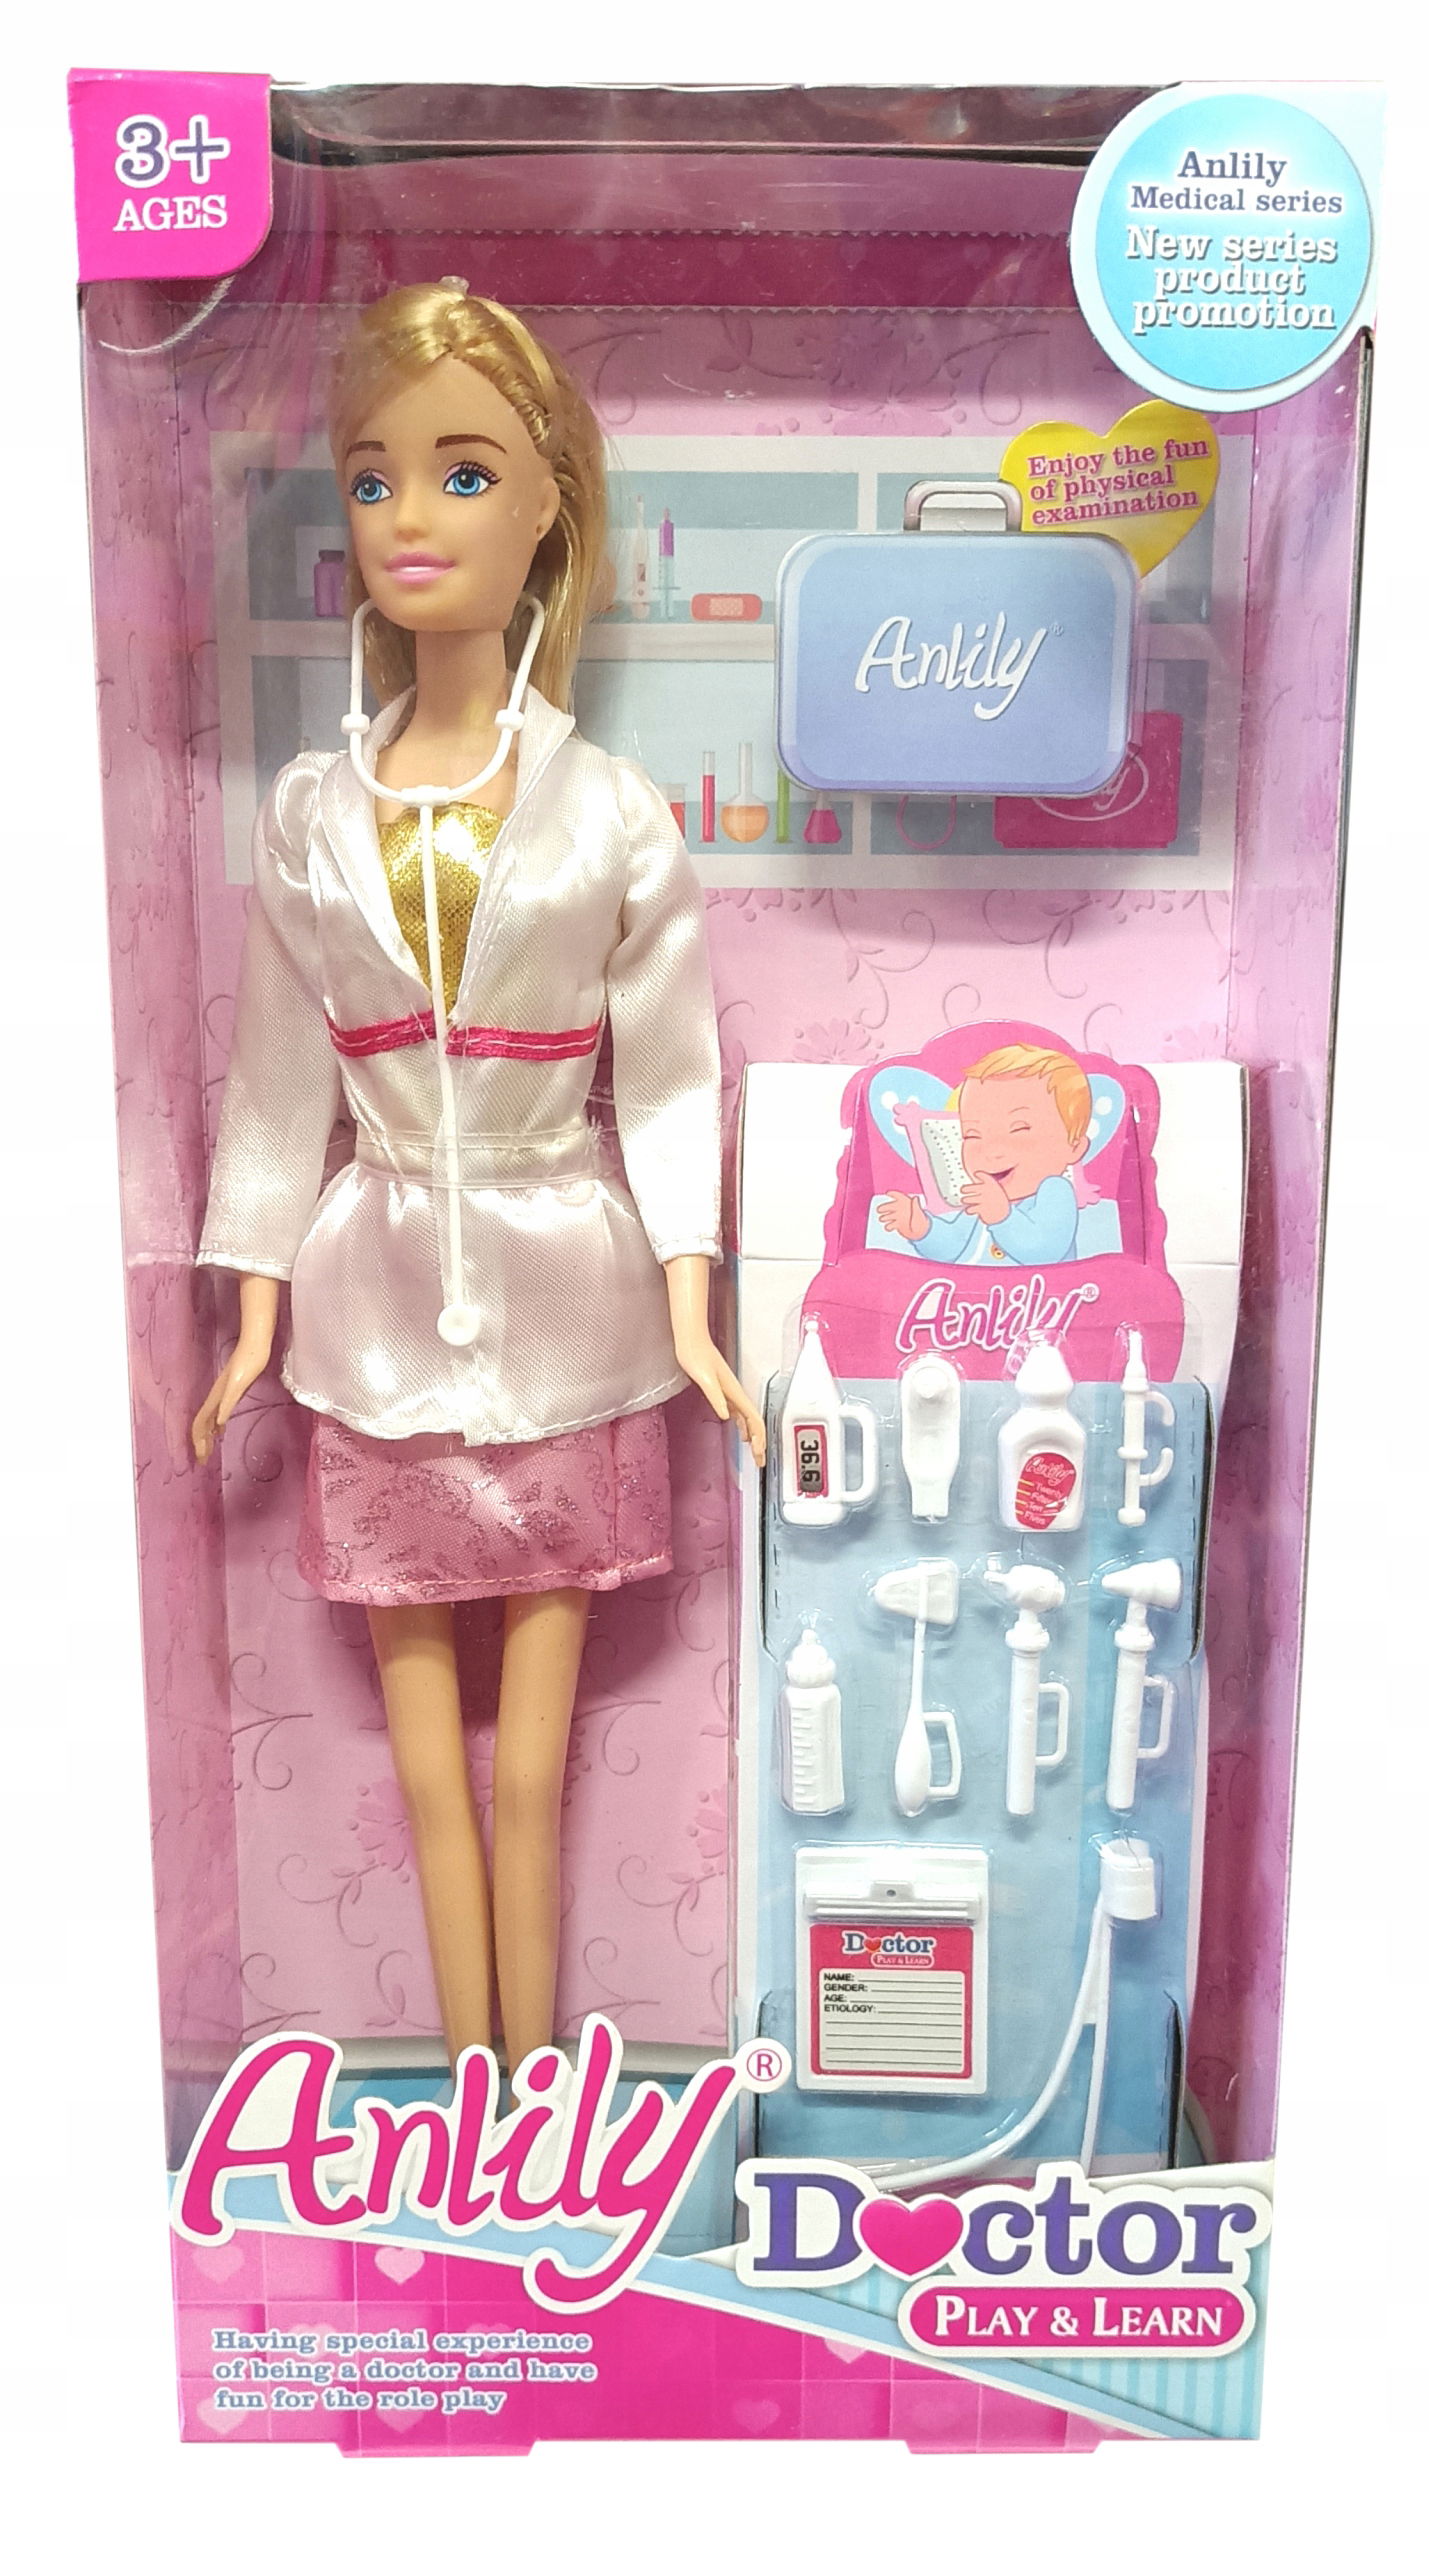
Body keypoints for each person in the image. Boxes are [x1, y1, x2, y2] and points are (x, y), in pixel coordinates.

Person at [191, 281, 763, 2075]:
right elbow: (278, 1080)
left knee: (534, 1781)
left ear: (548, 513)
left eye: (462, 473)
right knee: (433, 1775)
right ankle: (472, 2104)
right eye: (372, 481)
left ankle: (532, 2112)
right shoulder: (311, 811)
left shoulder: (606, 811)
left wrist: (693, 1298)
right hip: (372, 1306)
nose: (410, 519)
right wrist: (251, 1305)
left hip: (571, 1296)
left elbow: (669, 1072)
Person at [877, 1043, 1092, 1266]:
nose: (990, 1149)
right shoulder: (983, 1196)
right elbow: (953, 1245)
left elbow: (1045, 1252)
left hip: (1044, 1288)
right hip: (974, 1288)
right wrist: (922, 1229)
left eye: (1019, 1129)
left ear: (1073, 1147)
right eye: (973, 1134)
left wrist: (1003, 1217)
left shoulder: (1055, 1191)